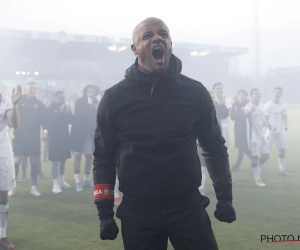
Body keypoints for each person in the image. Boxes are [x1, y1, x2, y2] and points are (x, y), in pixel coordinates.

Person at [93, 17, 235, 250]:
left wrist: (225, 197)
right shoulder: (114, 98)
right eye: (147, 35)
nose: (157, 38)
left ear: (170, 44)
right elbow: (103, 159)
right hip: (138, 213)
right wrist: (104, 213)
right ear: (134, 48)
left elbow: (214, 148)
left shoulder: (195, 92)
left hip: (188, 207)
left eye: (163, 34)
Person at [11, 82, 47, 196]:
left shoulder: (39, 104)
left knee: (34, 161)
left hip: (34, 137)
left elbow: (44, 120)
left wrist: (45, 132)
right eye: (31, 88)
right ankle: (12, 187)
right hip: (19, 136)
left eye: (35, 89)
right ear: (26, 89)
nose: (33, 90)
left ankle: (33, 188)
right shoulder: (18, 101)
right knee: (16, 161)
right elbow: (10, 115)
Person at [0, 86, 22, 250]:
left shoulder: (5, 100)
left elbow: (14, 124)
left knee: (3, 193)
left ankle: (2, 234)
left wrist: (14, 105)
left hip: (2, 152)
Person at [70, 85, 99, 192]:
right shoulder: (79, 101)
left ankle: (86, 179)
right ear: (86, 92)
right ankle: (77, 182)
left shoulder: (97, 102)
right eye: (89, 91)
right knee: (77, 157)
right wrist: (88, 104)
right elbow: (78, 115)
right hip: (78, 134)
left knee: (89, 157)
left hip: (91, 134)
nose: (91, 93)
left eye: (93, 92)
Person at [45, 91, 73, 193]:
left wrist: (69, 112)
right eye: (59, 98)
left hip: (64, 139)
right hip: (54, 139)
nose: (61, 100)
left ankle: (62, 181)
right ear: (55, 98)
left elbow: (71, 121)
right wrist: (60, 112)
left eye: (62, 98)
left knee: (63, 161)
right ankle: (55, 184)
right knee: (55, 162)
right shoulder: (50, 108)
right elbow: (51, 122)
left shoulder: (64, 108)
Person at [244, 88, 273, 187]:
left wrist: (268, 125)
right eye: (255, 93)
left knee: (266, 155)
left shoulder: (261, 107)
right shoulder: (249, 105)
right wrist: (249, 111)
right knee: (254, 157)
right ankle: (258, 179)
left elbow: (263, 121)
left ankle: (254, 170)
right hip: (253, 136)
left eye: (259, 93)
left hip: (262, 134)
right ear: (251, 95)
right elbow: (244, 114)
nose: (257, 95)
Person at [265, 87, 292, 176]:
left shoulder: (283, 106)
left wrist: (286, 125)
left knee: (282, 150)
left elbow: (285, 117)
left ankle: (282, 170)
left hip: (280, 131)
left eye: (279, 92)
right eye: (276, 92)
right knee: (265, 151)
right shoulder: (268, 105)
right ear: (273, 93)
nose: (277, 94)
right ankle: (259, 168)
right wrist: (270, 126)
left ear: (281, 94)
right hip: (270, 131)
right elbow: (265, 119)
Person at [230, 90, 251, 171]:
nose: (241, 96)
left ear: (246, 96)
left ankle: (238, 165)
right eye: (239, 95)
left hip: (245, 128)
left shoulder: (248, 104)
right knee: (241, 147)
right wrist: (233, 104)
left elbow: (243, 117)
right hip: (237, 129)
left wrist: (237, 115)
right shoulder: (236, 104)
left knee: (243, 147)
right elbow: (232, 117)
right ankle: (255, 161)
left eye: (243, 95)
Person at [212, 82, 232, 148]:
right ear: (214, 90)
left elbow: (229, 111)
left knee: (225, 146)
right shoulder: (211, 99)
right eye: (218, 88)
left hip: (224, 126)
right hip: (213, 127)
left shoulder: (226, 100)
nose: (220, 90)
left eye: (221, 88)